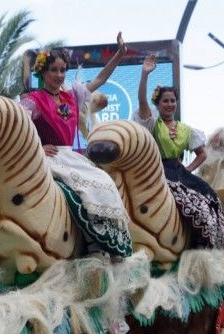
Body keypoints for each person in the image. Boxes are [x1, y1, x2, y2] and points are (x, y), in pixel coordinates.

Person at [19, 32, 132, 259]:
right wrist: (38, 149)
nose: (59, 75)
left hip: (72, 157)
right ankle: (92, 244)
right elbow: (17, 126)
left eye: (63, 70)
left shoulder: (73, 95)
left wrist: (119, 56)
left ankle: (109, 242)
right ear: (43, 72)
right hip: (48, 157)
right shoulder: (34, 100)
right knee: (78, 190)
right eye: (54, 70)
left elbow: (99, 79)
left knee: (104, 181)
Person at [132, 54, 224, 249]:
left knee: (209, 197)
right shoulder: (153, 123)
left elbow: (202, 154)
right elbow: (142, 99)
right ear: (158, 105)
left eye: (172, 100)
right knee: (184, 200)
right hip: (157, 170)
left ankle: (206, 245)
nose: (169, 104)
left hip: (179, 171)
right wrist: (144, 75)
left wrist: (188, 169)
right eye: (165, 101)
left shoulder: (186, 129)